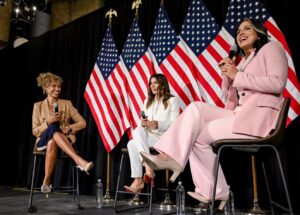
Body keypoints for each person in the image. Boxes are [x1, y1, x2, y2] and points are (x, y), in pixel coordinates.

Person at [140, 18, 288, 210]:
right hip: (239, 114)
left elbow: (277, 83)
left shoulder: (271, 48)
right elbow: (232, 101)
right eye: (238, 30)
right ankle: (200, 179)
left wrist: (237, 75)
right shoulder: (242, 62)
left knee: (195, 134)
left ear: (259, 32)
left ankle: (202, 181)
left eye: (247, 28)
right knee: (195, 111)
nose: (240, 32)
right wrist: (227, 77)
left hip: (260, 120)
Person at [32, 72, 94, 193]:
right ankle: (78, 160)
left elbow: (83, 122)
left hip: (61, 142)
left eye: (59, 86)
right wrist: (47, 122)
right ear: (45, 88)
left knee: (53, 140)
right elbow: (35, 131)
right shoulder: (38, 106)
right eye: (54, 86)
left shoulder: (67, 104)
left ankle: (46, 181)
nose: (57, 89)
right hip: (42, 143)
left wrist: (70, 128)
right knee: (52, 129)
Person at [124, 73, 180, 193]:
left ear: (162, 84)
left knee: (132, 143)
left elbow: (176, 124)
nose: (152, 86)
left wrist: (159, 124)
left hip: (164, 138)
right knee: (132, 141)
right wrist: (143, 123)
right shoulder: (148, 101)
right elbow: (141, 126)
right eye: (150, 83)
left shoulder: (172, 100)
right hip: (150, 137)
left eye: (155, 83)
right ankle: (142, 176)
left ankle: (141, 177)